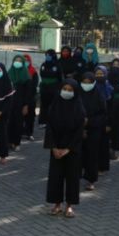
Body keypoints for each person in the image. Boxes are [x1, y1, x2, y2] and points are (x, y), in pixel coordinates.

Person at [45, 79, 86, 218]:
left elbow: (79, 131)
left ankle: (69, 205)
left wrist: (68, 149)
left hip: (72, 149)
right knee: (55, 176)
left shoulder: (79, 108)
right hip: (56, 148)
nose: (67, 92)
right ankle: (56, 204)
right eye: (65, 89)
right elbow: (49, 128)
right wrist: (54, 147)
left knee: (72, 177)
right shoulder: (54, 106)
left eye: (70, 90)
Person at [79, 72, 107, 191]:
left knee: (92, 154)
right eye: (84, 82)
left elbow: (103, 113)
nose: (86, 85)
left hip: (94, 129)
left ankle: (91, 180)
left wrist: (89, 121)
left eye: (88, 83)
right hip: (78, 128)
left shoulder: (98, 95)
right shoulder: (77, 94)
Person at [7, 55, 32, 151]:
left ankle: (16, 142)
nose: (17, 62)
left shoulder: (26, 76)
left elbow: (28, 93)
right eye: (15, 60)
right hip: (10, 103)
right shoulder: (9, 73)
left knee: (18, 123)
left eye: (19, 61)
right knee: (9, 123)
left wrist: (26, 105)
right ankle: (9, 142)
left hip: (20, 103)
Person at [94, 66, 114, 173]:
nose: (99, 76)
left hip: (105, 121)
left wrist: (109, 124)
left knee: (104, 145)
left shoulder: (109, 88)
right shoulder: (92, 87)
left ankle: (102, 166)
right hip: (95, 121)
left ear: (106, 74)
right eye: (97, 74)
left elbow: (111, 108)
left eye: (101, 74)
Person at [38, 49, 63, 126]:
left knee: (53, 104)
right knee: (44, 105)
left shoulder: (57, 65)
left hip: (54, 87)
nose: (48, 57)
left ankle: (53, 121)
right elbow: (41, 74)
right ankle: (43, 121)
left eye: (49, 55)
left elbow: (60, 77)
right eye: (47, 55)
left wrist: (57, 86)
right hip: (45, 87)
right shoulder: (43, 65)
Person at [23, 54, 39, 141]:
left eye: (27, 60)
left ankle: (29, 133)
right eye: (24, 60)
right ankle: (21, 132)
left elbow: (34, 85)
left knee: (30, 116)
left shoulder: (33, 72)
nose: (26, 62)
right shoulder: (18, 71)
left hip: (30, 97)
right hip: (20, 98)